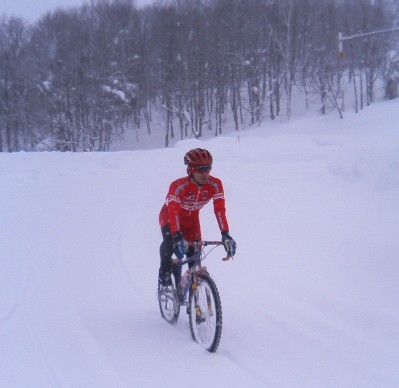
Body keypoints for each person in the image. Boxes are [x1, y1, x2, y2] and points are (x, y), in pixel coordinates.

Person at [158, 148, 236, 286]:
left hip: (191, 220)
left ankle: (192, 292)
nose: (205, 174)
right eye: (200, 170)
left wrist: (225, 234)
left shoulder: (215, 184)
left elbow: (219, 210)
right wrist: (176, 235)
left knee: (194, 256)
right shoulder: (178, 186)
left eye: (208, 169)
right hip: (170, 217)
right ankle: (164, 271)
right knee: (171, 242)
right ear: (190, 170)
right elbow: (174, 211)